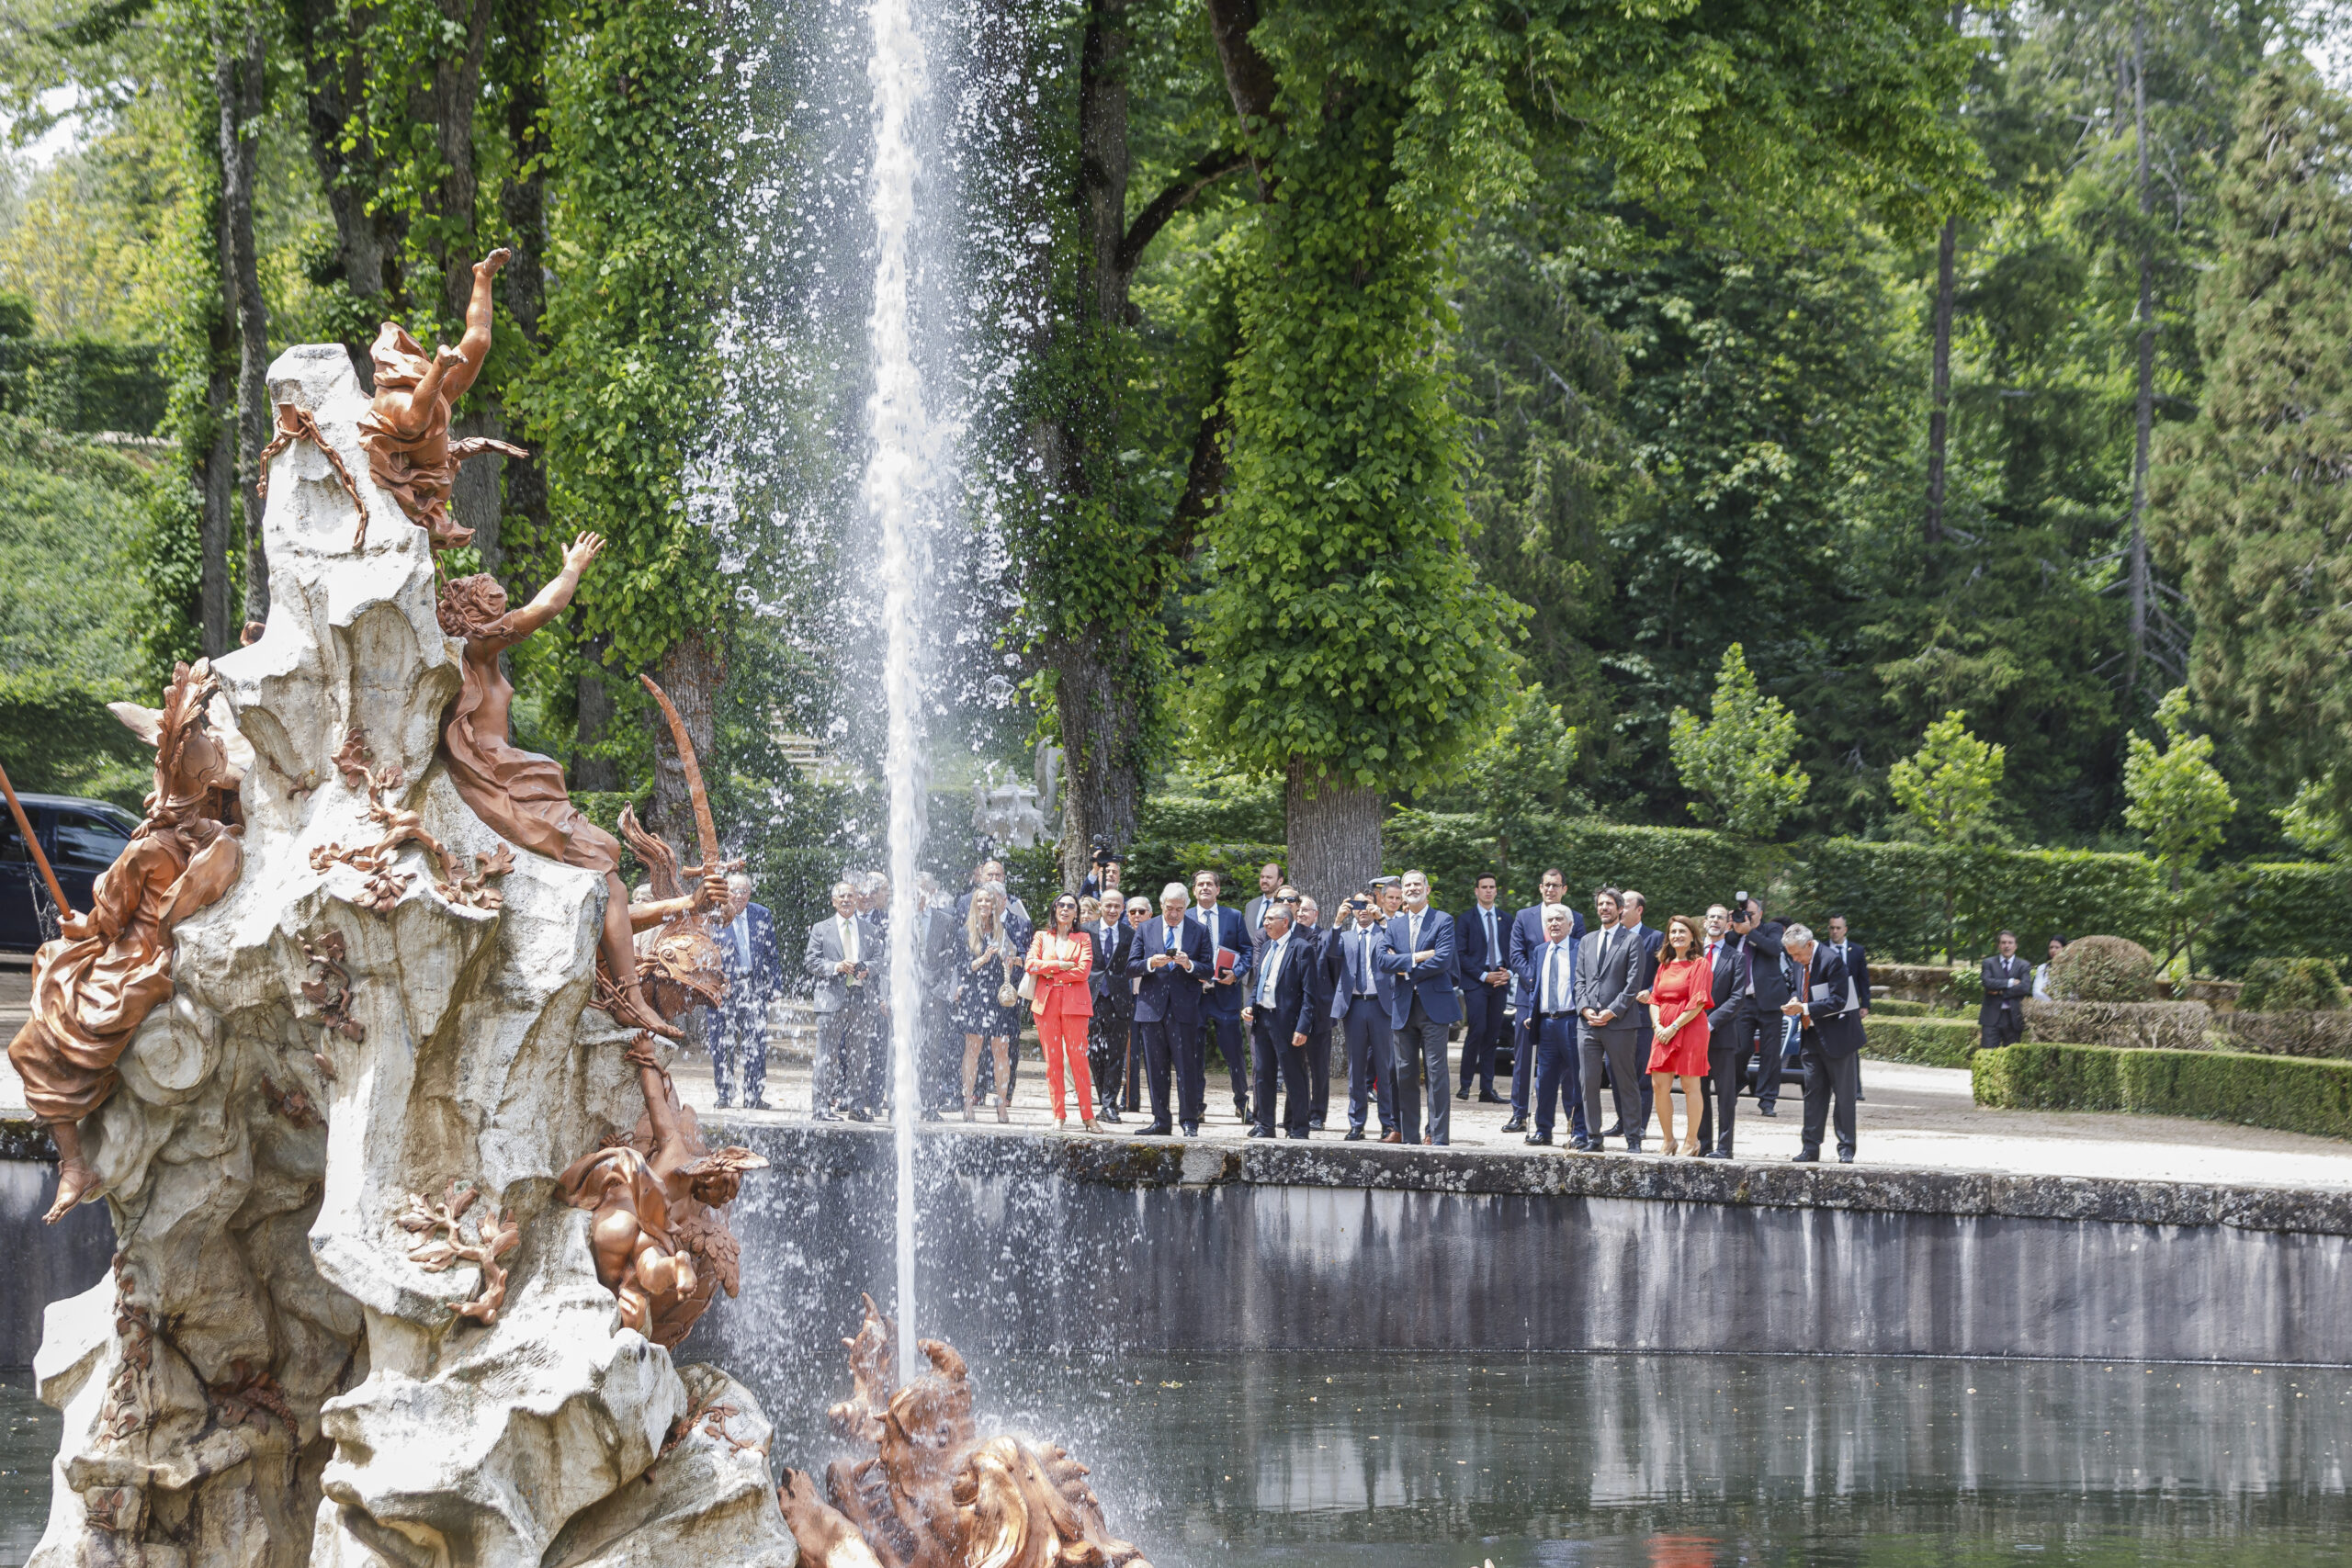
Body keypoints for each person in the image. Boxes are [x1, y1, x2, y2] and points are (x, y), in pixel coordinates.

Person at [1701, 895, 1789, 1158]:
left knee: (1772, 1052)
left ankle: (1768, 1099)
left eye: (1749, 914)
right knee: (1740, 1049)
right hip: (1743, 1004)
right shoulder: (1728, 936)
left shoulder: (1769, 929)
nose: (1743, 917)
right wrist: (1732, 929)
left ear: (1759, 914)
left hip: (1769, 999)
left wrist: (1750, 931)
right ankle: (1735, 1086)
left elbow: (1776, 949)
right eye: (1739, 914)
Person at [1377, 870, 1458, 1145]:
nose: (1412, 888)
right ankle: (1410, 1138)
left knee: (1437, 1074)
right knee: (1405, 1075)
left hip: (1434, 1007)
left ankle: (1437, 1136)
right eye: (1407, 884)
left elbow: (1444, 959)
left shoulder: (1443, 920)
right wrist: (1416, 957)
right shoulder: (1395, 925)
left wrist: (1405, 967)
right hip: (1402, 1008)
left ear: (1428, 889)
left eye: (1416, 884)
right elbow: (1382, 961)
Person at [1503, 868, 1584, 1134]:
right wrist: (1535, 983)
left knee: (1570, 1067)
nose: (1551, 889)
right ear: (1540, 888)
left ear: (1565, 889)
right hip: (1530, 999)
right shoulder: (1524, 916)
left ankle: (1572, 1118)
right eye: (1547, 885)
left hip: (1564, 1006)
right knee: (1524, 1059)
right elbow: (1516, 955)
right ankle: (1519, 1113)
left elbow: (1580, 958)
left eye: (1556, 885)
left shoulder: (1576, 919)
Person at [1127, 883, 1214, 1134]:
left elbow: (1208, 969)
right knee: (1155, 1068)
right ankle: (1161, 1120)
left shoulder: (1198, 930)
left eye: (1179, 909)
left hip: (1184, 1009)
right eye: (1169, 908)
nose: (1174, 914)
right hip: (1151, 1008)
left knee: (1187, 1067)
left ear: (1186, 907)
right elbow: (1131, 967)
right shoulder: (1146, 928)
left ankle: (1189, 1121)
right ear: (1162, 905)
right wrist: (1150, 963)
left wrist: (1189, 965)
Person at [1781, 922, 1863, 1162]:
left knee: (1844, 1096)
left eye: (1797, 953)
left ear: (1809, 944)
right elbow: (1801, 989)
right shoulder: (1799, 960)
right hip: (1811, 1036)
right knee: (1813, 1094)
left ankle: (1846, 1148)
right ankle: (1810, 1148)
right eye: (1791, 955)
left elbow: (1840, 1000)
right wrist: (1794, 1001)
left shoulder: (1832, 960)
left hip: (1839, 1037)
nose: (1794, 959)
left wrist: (1804, 1007)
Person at [1575, 887, 1645, 1153]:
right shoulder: (1587, 941)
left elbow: (1633, 984)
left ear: (1620, 909)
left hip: (1620, 1024)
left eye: (1609, 904)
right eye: (1601, 904)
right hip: (1588, 1024)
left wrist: (1612, 1011)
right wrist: (1584, 1009)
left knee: (1625, 1081)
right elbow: (1579, 980)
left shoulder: (1631, 941)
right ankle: (1594, 1137)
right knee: (1588, 1080)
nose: (1604, 908)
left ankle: (1633, 1138)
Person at [806, 881, 882, 1122]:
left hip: (862, 998)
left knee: (859, 1055)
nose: (847, 899)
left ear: (858, 899)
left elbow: (881, 960)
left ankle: (856, 1106)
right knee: (827, 1055)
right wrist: (836, 966)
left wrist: (866, 968)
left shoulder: (870, 929)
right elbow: (811, 961)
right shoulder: (821, 928)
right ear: (834, 901)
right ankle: (820, 1107)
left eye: (851, 895)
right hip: (831, 999)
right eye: (842, 896)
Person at [1323, 891, 1396, 1141]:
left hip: (1381, 1006)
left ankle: (1389, 1123)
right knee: (1356, 1068)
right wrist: (1336, 921)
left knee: (1384, 1068)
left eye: (1366, 905)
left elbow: (1397, 946)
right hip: (1354, 1006)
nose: (1362, 910)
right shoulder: (1345, 936)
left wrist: (1382, 919)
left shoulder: (1383, 931)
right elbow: (1330, 953)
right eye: (1357, 906)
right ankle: (1357, 1123)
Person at [1025, 893, 1102, 1133]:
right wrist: (1059, 965)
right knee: (1053, 1062)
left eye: (1071, 906)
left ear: (1076, 913)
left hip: (1075, 1006)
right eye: (1061, 905)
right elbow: (1030, 964)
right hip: (1046, 1005)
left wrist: (1050, 973)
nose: (1066, 909)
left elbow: (1083, 972)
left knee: (1079, 1060)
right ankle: (1058, 1114)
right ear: (1054, 908)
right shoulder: (1041, 936)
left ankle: (1088, 1116)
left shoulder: (1084, 938)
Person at [712, 873, 784, 1111]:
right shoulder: (715, 915)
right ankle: (724, 1093)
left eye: (744, 891)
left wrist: (775, 985)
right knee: (723, 1043)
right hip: (724, 991)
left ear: (750, 894)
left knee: (756, 1043)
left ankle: (754, 1095)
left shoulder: (761, 914)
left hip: (755, 987)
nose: (739, 896)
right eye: (735, 891)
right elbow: (705, 955)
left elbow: (772, 953)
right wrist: (716, 983)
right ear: (727, 893)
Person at [1241, 904, 1315, 1138]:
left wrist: (1303, 1026)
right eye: (1264, 919)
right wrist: (1250, 1005)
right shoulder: (1265, 947)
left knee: (1294, 1075)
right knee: (1262, 1074)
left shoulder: (1301, 948)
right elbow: (1259, 982)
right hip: (1262, 1020)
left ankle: (1299, 1127)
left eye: (1271, 919)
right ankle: (1265, 1125)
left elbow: (1309, 993)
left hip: (1288, 1022)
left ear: (1285, 922)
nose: (1266, 923)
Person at [1645, 914, 1713, 1156]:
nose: (1677, 936)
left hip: (1690, 1028)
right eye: (1673, 932)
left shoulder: (1699, 964)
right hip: (1663, 1029)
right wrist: (1659, 1027)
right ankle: (1668, 1139)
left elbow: (1697, 1002)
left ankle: (1691, 1141)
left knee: (1690, 1085)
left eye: (1682, 931)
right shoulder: (1664, 965)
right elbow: (1654, 999)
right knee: (1658, 1085)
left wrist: (1673, 1027)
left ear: (1693, 936)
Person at [953, 886, 1022, 1122]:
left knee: (1001, 1049)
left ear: (994, 904)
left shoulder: (1004, 932)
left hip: (998, 997)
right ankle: (968, 1101)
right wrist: (983, 959)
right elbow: (962, 968)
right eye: (979, 900)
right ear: (975, 904)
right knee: (973, 1049)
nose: (984, 904)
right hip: (974, 995)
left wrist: (1011, 961)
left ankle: (1002, 1103)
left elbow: (1018, 958)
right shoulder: (965, 933)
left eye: (988, 901)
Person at [1190, 870, 1253, 1122]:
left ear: (1218, 890)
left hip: (1225, 994)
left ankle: (1242, 1103)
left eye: (1210, 884)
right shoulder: (1186, 916)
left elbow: (1247, 951)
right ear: (1194, 890)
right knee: (1194, 1055)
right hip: (1194, 997)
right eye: (1200, 884)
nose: (1205, 887)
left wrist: (1236, 974)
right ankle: (1196, 1106)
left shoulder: (1233, 916)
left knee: (1234, 1054)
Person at [1521, 904, 1582, 1147]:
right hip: (1546, 1023)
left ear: (1570, 924)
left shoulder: (1580, 948)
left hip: (1572, 1020)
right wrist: (1531, 1012)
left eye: (1559, 919)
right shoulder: (1539, 950)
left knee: (1578, 1080)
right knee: (1544, 1081)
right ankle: (1543, 1130)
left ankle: (1580, 1131)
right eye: (1550, 921)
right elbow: (1537, 987)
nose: (1554, 924)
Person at [1455, 873, 1510, 1104]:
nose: (1488, 890)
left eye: (1492, 887)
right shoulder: (1466, 919)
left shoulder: (1506, 919)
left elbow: (1512, 951)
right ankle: (1465, 1085)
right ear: (1476, 891)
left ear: (1496, 891)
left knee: (1493, 1034)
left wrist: (1507, 972)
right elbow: (1460, 954)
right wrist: (1483, 975)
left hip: (1500, 981)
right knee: (1477, 1031)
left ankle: (1487, 1089)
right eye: (1484, 887)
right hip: (1476, 981)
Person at [1612, 890, 1665, 1136]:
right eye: (1618, 904)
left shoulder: (1655, 938)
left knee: (1641, 1074)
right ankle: (1622, 1121)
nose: (1620, 909)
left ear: (1639, 910)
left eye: (1625, 904)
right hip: (1613, 1017)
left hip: (1643, 1017)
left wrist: (1651, 991)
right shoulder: (1612, 937)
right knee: (1615, 1072)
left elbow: (1664, 975)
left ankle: (1639, 1125)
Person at [1084, 893, 1134, 1124]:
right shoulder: (1086, 930)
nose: (1112, 910)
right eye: (1108, 906)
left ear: (1123, 908)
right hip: (1091, 999)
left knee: (1115, 1053)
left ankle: (1108, 1103)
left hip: (1119, 1000)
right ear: (1100, 906)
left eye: (1117, 906)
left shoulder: (1130, 934)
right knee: (1094, 1052)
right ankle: (1104, 1099)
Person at [1295, 894, 1336, 1130]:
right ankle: (1297, 1113)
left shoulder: (1326, 938)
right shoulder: (1287, 938)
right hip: (1294, 1014)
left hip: (1319, 1014)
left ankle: (1318, 1114)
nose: (1301, 913)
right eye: (1298, 910)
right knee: (1295, 1067)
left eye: (1306, 910)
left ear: (1316, 915)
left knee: (1319, 1068)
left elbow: (1335, 973)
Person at [1980, 930, 2031, 1051]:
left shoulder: (2024, 965)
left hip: (2013, 1017)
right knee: (1988, 1055)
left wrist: (2000, 991)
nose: (2007, 946)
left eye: (2010, 942)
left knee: (2012, 1058)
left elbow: (2024, 987)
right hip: (1991, 1018)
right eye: (2003, 942)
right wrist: (2010, 982)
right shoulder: (1988, 963)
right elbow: (1987, 982)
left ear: (2016, 946)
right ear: (1998, 945)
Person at [1242, 863, 1285, 960]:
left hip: (1276, 962)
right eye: (1262, 877)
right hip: (1250, 967)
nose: (1264, 880)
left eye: (1269, 877)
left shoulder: (1286, 906)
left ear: (1280, 881)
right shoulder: (1251, 905)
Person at [2031, 934, 2066, 1000]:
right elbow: (2036, 992)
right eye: (2051, 947)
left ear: (2064, 948)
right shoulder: (2042, 968)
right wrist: (2053, 1002)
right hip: (2046, 1008)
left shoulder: (2070, 969)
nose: (2053, 950)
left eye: (2057, 947)